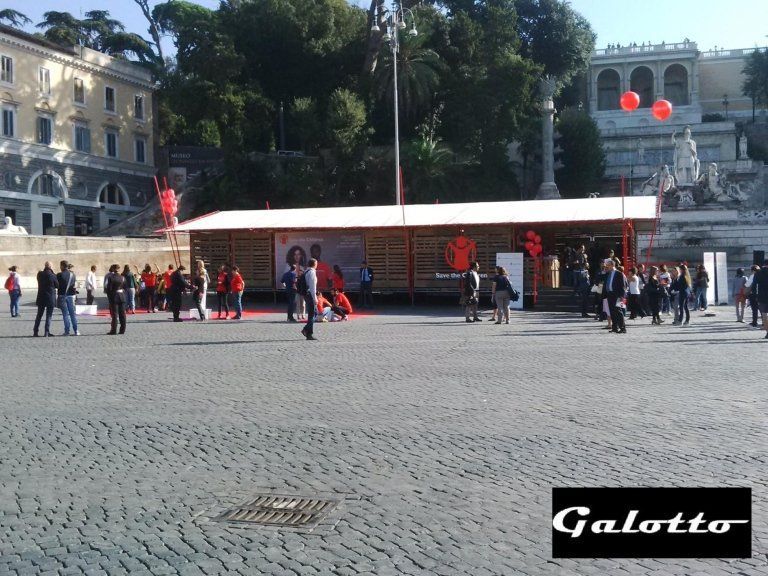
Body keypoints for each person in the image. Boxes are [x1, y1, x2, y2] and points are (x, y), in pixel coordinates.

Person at [601, 259, 626, 333]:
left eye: (608, 265)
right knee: (612, 311)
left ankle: (622, 328)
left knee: (618, 311)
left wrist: (622, 296)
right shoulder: (608, 273)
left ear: (612, 265)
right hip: (610, 295)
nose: (606, 267)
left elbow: (623, 286)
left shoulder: (619, 273)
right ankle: (615, 327)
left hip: (618, 295)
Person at [33, 262, 58, 337]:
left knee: (39, 315)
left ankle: (35, 331)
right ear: (50, 267)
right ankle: (46, 332)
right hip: (50, 298)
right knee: (49, 316)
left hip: (41, 297)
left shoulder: (40, 274)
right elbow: (57, 285)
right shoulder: (53, 275)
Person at [56, 260, 79, 336]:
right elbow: (74, 285)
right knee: (72, 314)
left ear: (62, 266)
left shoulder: (59, 275)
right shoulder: (73, 275)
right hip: (71, 296)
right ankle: (76, 330)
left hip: (62, 296)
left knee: (65, 315)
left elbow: (56, 285)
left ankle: (67, 331)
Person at [104, 264, 127, 335]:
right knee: (122, 314)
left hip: (114, 297)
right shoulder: (123, 277)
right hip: (122, 296)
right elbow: (125, 288)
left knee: (114, 315)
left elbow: (108, 289)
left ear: (113, 269)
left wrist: (110, 298)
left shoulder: (110, 278)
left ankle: (114, 330)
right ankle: (122, 330)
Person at [301, 258, 318, 340]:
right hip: (310, 295)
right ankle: (308, 333)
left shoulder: (306, 271)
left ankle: (306, 329)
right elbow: (312, 287)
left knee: (313, 313)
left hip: (306, 294)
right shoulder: (312, 272)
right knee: (312, 314)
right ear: (314, 264)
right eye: (316, 263)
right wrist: (315, 298)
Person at [750, 260, 768, 339]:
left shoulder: (758, 273)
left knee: (764, 315)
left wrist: (755, 296)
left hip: (762, 296)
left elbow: (754, 286)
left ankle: (767, 332)